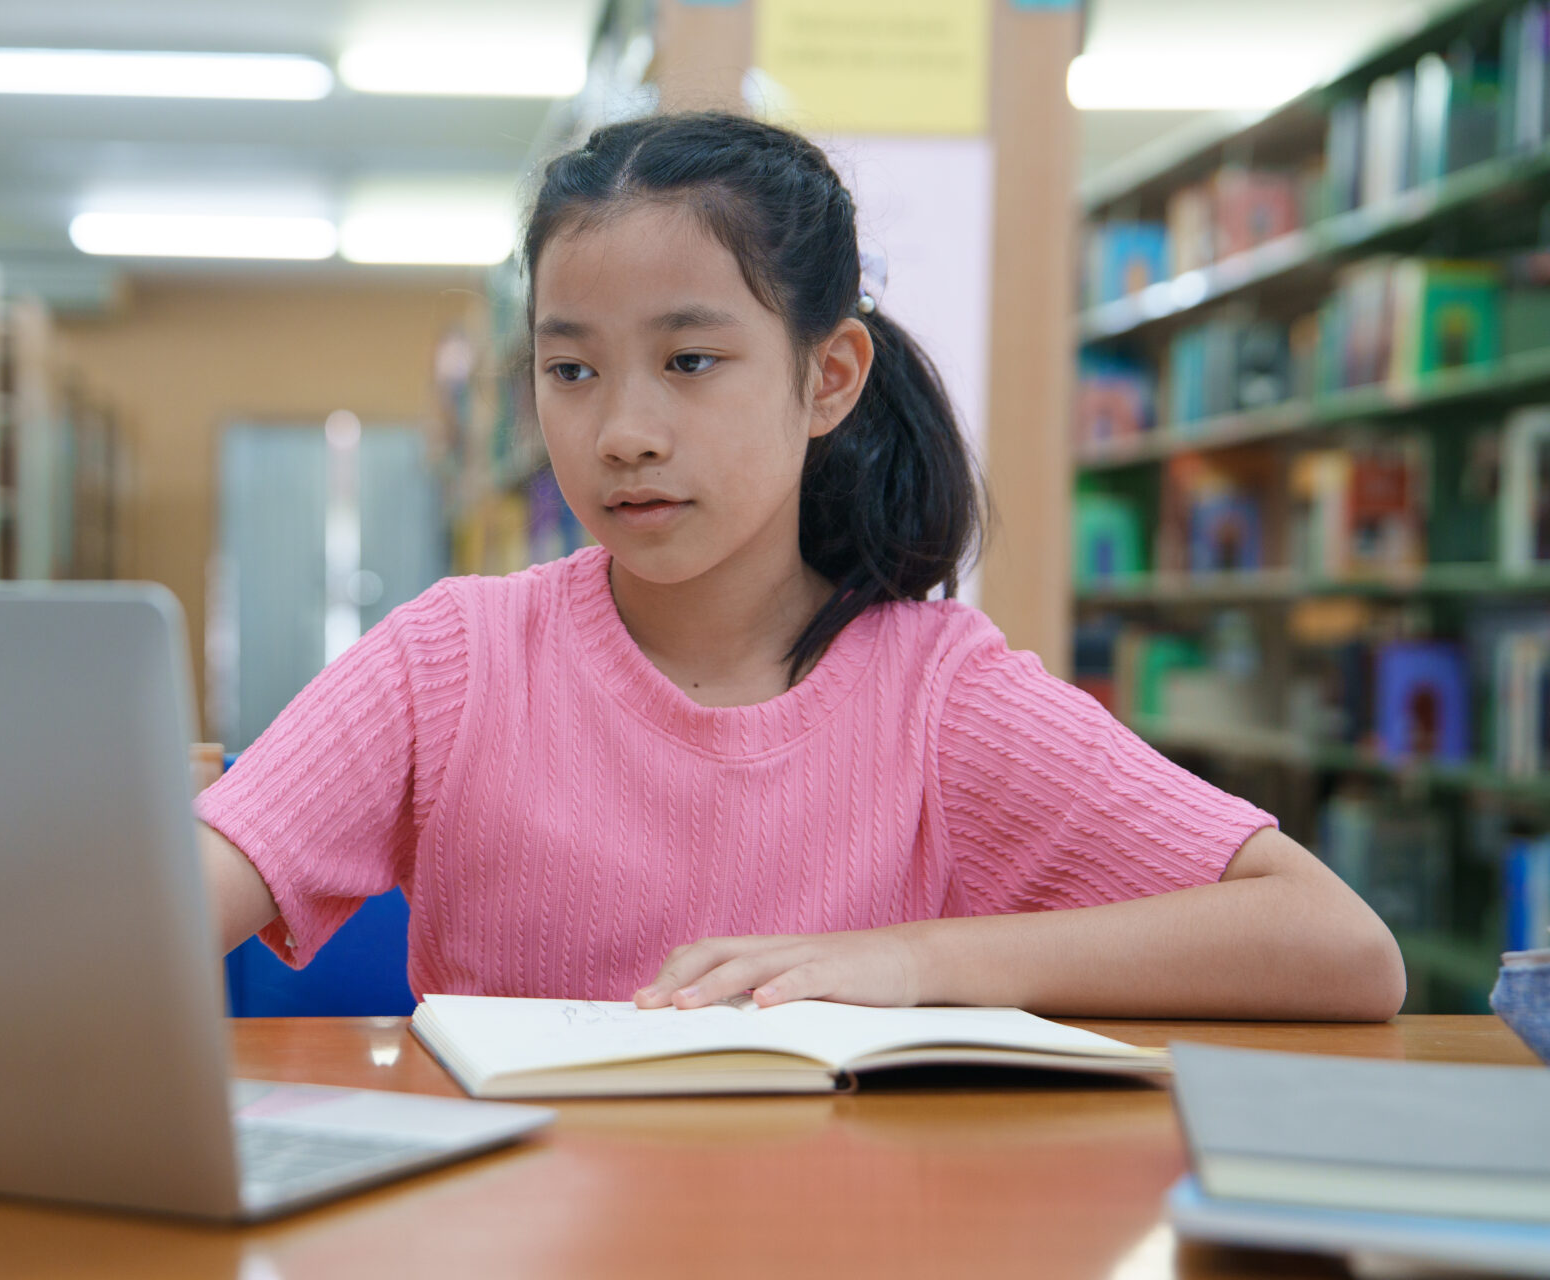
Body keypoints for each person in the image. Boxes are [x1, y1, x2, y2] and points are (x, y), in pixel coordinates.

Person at [197, 112, 1405, 1021]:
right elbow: (155, 917)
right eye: (572, 370)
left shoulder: (940, 694)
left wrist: (915, 961)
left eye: (690, 361)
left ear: (827, 376)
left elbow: (1339, 945)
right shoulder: (448, 659)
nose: (623, 429)